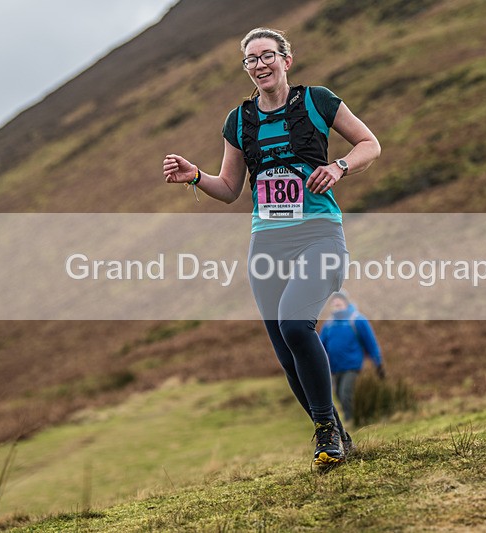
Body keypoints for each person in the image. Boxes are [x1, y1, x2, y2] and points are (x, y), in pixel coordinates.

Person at [162, 27, 380, 469]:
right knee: (286, 351)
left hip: (319, 234)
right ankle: (337, 435)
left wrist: (338, 167)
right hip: (267, 243)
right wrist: (195, 176)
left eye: (267, 56)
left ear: (287, 60)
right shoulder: (238, 121)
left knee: (296, 325)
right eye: (251, 59)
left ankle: (324, 431)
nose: (259, 65)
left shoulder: (319, 102)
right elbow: (228, 188)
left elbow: (369, 144)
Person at [320, 291, 384, 424]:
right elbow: (320, 346)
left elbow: (371, 343)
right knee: (338, 395)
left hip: (353, 366)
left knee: (346, 394)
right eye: (334, 302)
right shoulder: (329, 324)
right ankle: (356, 418)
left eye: (339, 301)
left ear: (346, 302)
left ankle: (351, 422)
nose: (336, 304)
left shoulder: (357, 320)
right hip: (334, 368)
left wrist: (378, 363)